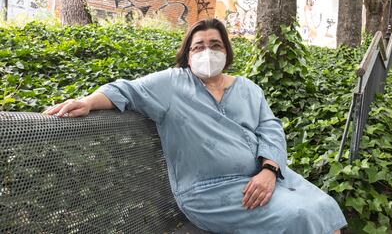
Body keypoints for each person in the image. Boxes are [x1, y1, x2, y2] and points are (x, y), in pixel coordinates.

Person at [44, 18, 347, 233]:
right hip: (209, 192)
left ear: (226, 51)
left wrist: (269, 170)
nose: (207, 52)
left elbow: (270, 128)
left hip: (264, 177)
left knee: (324, 206)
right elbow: (126, 89)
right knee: (301, 215)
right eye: (198, 46)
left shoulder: (248, 88)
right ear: (187, 55)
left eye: (215, 44)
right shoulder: (172, 84)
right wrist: (88, 101)